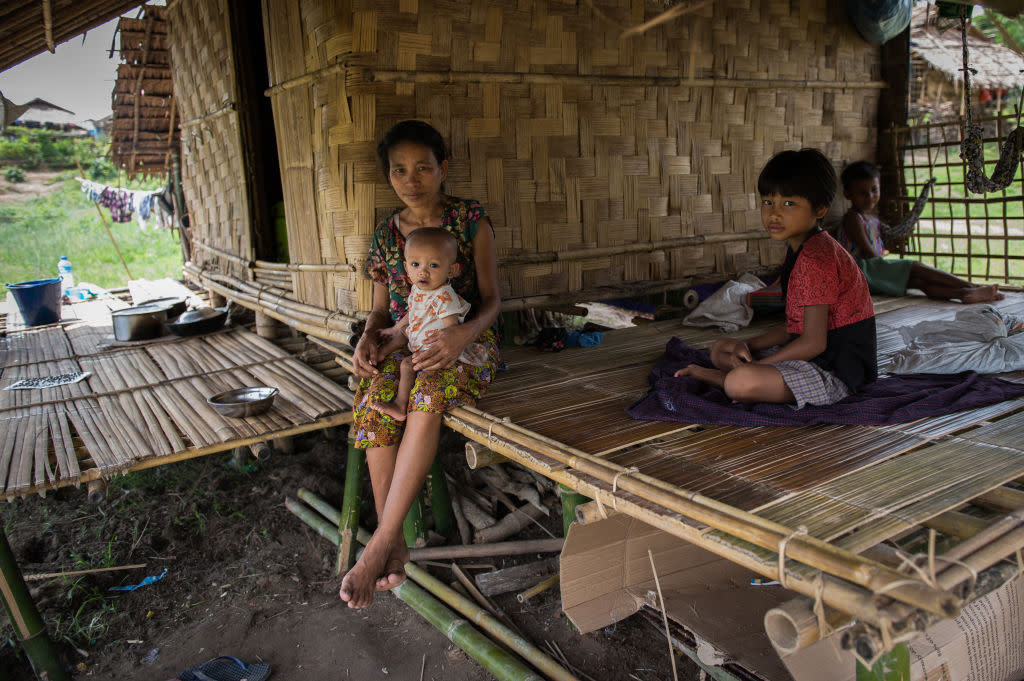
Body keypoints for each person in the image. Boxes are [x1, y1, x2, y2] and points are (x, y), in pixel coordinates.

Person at [342, 120, 501, 609]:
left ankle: (378, 545)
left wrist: (462, 334)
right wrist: (369, 339)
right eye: (399, 170)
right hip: (406, 340)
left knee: (428, 392)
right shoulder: (386, 236)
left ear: (443, 168)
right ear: (388, 175)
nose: (411, 180)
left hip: (468, 343)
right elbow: (380, 311)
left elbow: (494, 301)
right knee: (373, 397)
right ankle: (396, 540)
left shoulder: (470, 220)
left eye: (423, 168)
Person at [677, 149, 876, 408]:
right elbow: (794, 327)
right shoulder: (800, 250)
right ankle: (732, 374)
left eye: (789, 204)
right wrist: (746, 344)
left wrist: (760, 364)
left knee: (742, 381)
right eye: (769, 202)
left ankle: (722, 378)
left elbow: (814, 342)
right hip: (812, 355)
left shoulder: (817, 259)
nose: (774, 213)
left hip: (837, 373)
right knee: (722, 349)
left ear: (819, 209)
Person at [834, 161, 1002, 303]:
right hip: (859, 273)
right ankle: (972, 286)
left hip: (871, 272)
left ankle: (964, 294)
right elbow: (871, 256)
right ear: (848, 193)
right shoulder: (853, 219)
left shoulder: (873, 219)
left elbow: (896, 233)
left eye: (874, 190)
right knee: (915, 266)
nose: (870, 196)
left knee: (920, 282)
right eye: (862, 193)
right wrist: (892, 266)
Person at [369, 227, 490, 420]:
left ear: (451, 270)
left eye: (433, 265)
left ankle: (400, 405)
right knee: (401, 336)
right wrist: (395, 328)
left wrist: (445, 349)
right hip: (419, 337)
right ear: (406, 268)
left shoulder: (444, 295)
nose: (423, 272)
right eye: (415, 264)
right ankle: (381, 354)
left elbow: (451, 329)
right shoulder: (418, 290)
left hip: (437, 348)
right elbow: (413, 312)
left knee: (407, 366)